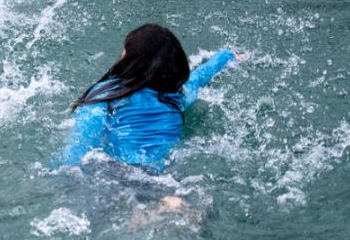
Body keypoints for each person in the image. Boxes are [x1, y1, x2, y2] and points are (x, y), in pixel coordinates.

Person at [53, 23, 235, 171]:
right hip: (160, 174)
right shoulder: (176, 97)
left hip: (115, 172)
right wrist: (227, 56)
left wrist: (62, 170)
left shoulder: (107, 93)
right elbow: (199, 77)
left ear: (130, 59)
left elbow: (83, 137)